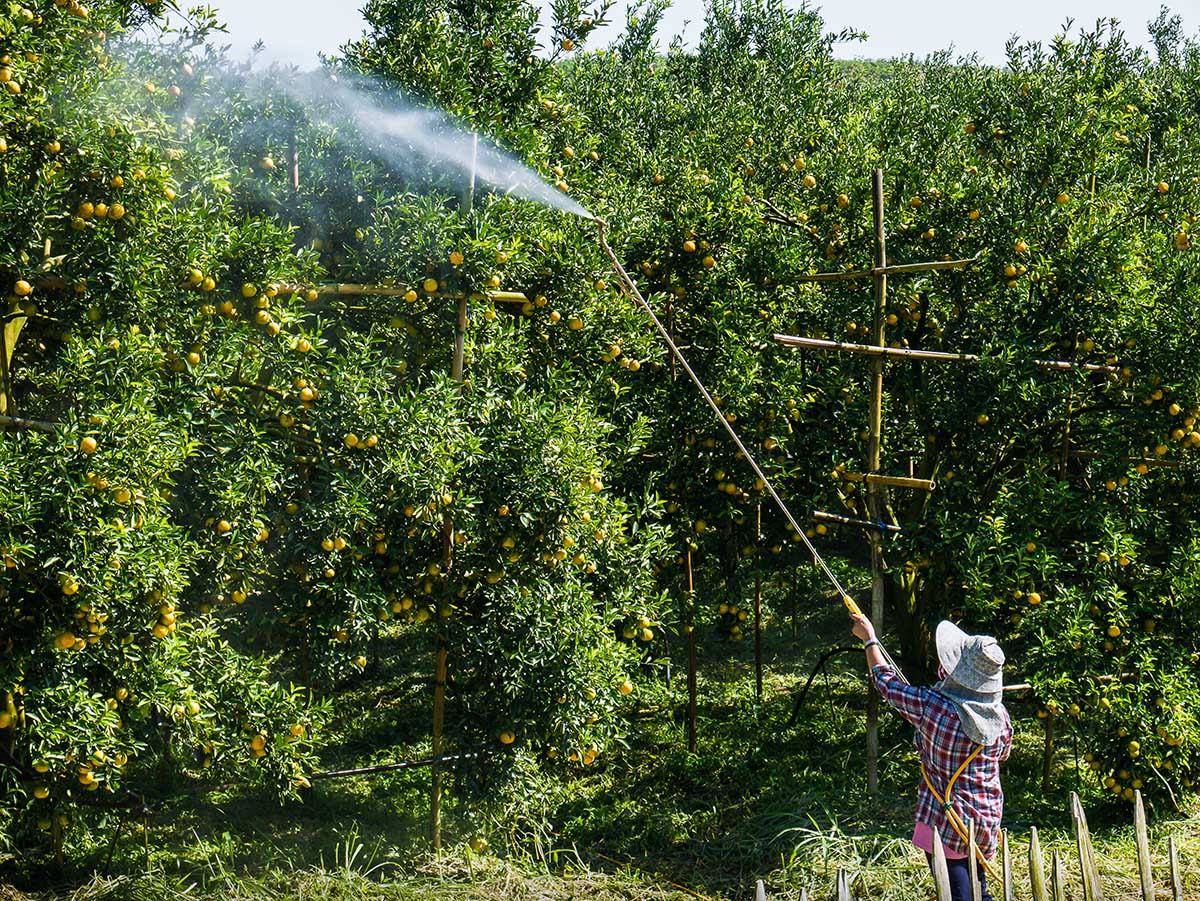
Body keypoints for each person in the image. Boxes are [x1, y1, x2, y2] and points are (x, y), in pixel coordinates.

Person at [850, 612, 1012, 901]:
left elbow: (885, 683)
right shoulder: (1000, 718)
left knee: (960, 894)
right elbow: (1001, 754)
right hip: (985, 819)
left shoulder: (932, 707)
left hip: (947, 820)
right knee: (978, 886)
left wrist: (869, 640)